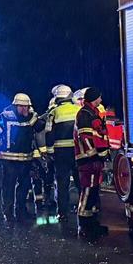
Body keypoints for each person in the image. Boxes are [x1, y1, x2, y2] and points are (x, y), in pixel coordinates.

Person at [0, 93, 44, 222]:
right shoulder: (5, 116)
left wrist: (34, 115)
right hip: (9, 158)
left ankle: (21, 211)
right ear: (15, 106)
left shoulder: (30, 117)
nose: (24, 109)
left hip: (26, 158)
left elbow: (40, 127)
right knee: (8, 186)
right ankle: (8, 212)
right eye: (22, 106)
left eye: (26, 107)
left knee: (24, 186)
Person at [74, 87, 110, 241]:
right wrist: (94, 156)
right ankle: (84, 224)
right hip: (88, 160)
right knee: (88, 190)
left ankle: (93, 223)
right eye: (99, 98)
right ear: (94, 98)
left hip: (94, 159)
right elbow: (86, 137)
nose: (101, 100)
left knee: (94, 191)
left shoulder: (91, 112)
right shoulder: (84, 114)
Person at [45, 84, 79, 222]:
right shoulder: (78, 110)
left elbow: (48, 133)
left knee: (62, 184)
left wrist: (50, 152)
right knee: (79, 182)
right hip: (77, 152)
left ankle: (62, 213)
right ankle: (84, 209)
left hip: (61, 153)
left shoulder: (54, 112)